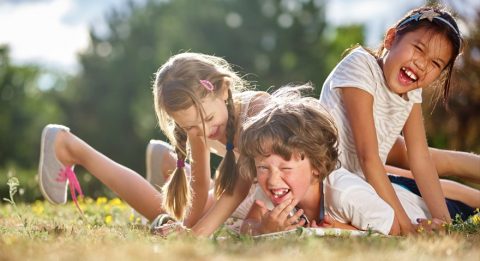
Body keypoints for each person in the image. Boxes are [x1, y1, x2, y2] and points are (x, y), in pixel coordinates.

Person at [38, 52, 269, 236]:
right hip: (245, 188)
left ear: (223, 90)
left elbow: (238, 187)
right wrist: (184, 226)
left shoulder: (257, 112)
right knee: (167, 216)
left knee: (204, 220)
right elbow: (200, 188)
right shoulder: (198, 124)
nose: (205, 131)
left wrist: (192, 233)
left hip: (255, 186)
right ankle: (70, 147)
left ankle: (165, 161)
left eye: (208, 119)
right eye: (190, 128)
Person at [318, 5, 477, 235]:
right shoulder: (360, 65)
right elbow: (368, 157)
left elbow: (421, 159)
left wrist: (443, 222)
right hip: (332, 179)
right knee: (373, 205)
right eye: (418, 49)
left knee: (422, 207)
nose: (422, 64)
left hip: (366, 183)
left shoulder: (411, 93)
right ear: (391, 38)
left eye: (435, 64)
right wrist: (407, 228)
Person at [237, 86, 478, 236]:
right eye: (262, 167)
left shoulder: (345, 193)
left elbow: (397, 230)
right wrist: (261, 229)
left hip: (432, 211)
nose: (272, 178)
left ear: (317, 169)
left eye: (285, 168)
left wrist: (344, 231)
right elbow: (250, 221)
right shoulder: (272, 190)